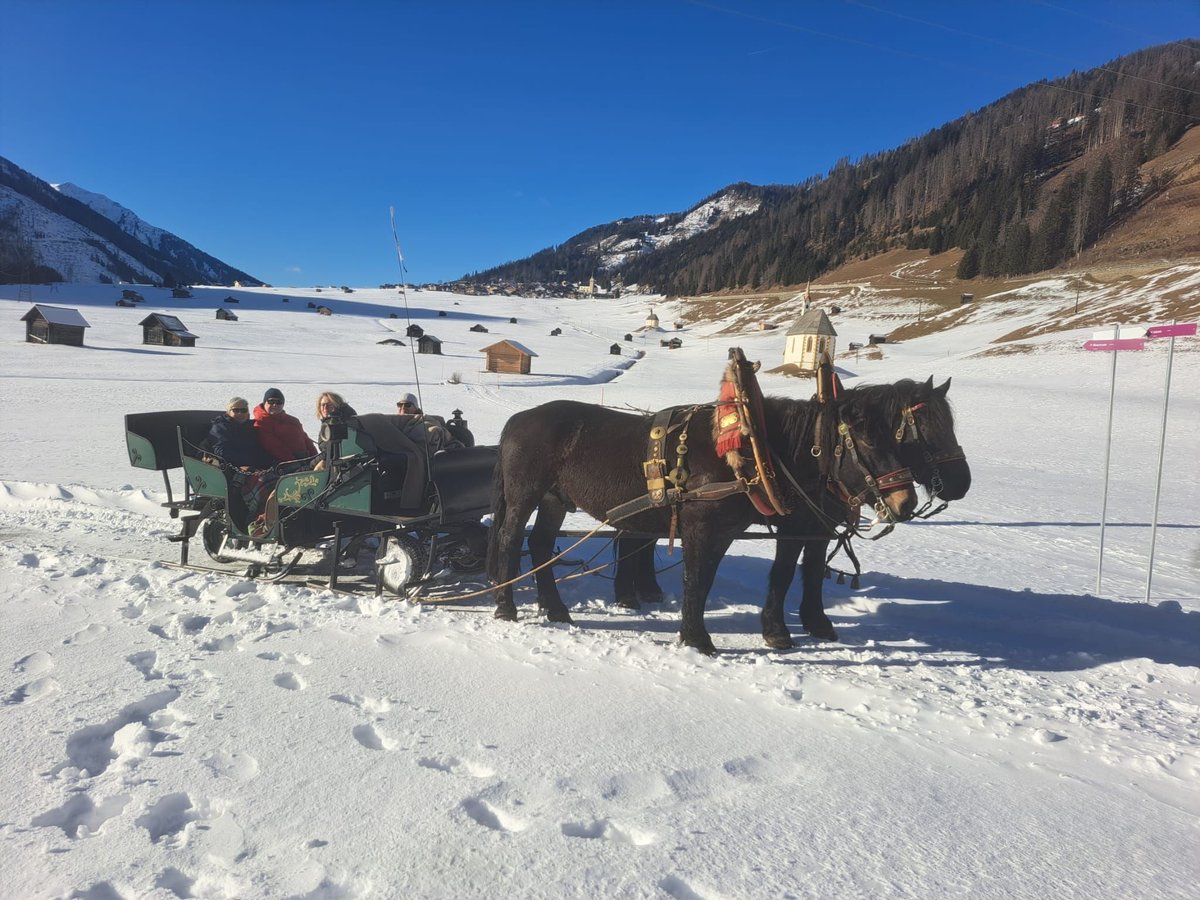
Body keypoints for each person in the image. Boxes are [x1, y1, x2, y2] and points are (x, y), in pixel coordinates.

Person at [203, 397, 273, 470]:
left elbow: (260, 448)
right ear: (229, 412)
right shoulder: (220, 428)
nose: (240, 413)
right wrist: (247, 463)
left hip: (255, 466)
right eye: (236, 410)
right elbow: (222, 451)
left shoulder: (252, 427)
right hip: (230, 468)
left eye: (244, 410)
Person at [253, 388, 318, 464]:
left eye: (278, 402)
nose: (275, 405)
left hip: (304, 459)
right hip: (281, 463)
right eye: (271, 401)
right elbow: (274, 446)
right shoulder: (261, 422)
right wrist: (293, 462)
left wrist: (316, 459)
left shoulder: (293, 421)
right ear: (264, 403)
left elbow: (306, 439)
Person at [395, 392, 462, 455]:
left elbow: (432, 431)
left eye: (407, 405)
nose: (403, 407)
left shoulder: (424, 420)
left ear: (415, 408)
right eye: (400, 405)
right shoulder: (393, 423)